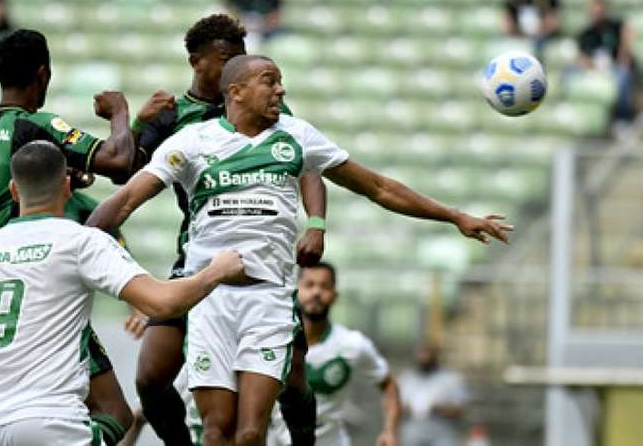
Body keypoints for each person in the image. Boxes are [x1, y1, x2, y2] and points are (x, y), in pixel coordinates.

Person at [86, 54, 513, 444]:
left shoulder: (296, 136)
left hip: (268, 299)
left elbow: (379, 187)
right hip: (209, 301)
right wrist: (71, 244)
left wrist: (455, 215)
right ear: (235, 92)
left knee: (251, 433)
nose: (281, 90)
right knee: (217, 431)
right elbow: (123, 202)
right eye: (270, 82)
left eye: (281, 82)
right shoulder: (193, 142)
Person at [0, 141, 245, 445]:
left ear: (13, 191)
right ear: (66, 185)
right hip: (54, 424)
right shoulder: (81, 242)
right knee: (116, 418)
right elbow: (162, 303)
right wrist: (217, 271)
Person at [128, 14, 325, 446]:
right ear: (199, 62)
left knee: (293, 380)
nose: (240, 63)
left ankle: (305, 437)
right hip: (198, 258)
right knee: (150, 377)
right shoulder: (171, 117)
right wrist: (137, 123)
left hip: (260, 268)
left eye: (242, 55)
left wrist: (316, 222)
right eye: (229, 57)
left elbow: (306, 164)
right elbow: (122, 175)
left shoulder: (264, 107)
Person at [0, 28, 136, 446]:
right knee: (114, 413)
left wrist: (70, 178)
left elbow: (24, 187)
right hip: (38, 286)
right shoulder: (36, 123)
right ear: (43, 74)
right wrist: (119, 113)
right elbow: (120, 162)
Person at [269, 262, 400, 446]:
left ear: (335, 295)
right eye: (309, 285)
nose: (316, 292)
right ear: (296, 290)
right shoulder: (274, 342)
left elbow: (388, 385)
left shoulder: (353, 345)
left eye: (324, 286)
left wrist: (390, 431)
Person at [576, 0, 638, 129]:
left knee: (623, 75)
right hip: (595, 70)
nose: (597, 13)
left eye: (600, 10)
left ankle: (623, 118)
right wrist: (592, 66)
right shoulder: (586, 33)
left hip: (616, 66)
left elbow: (626, 45)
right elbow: (582, 58)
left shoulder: (616, 26)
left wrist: (622, 56)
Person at [399, 344, 469, 446]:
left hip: (442, 437)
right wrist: (412, 408)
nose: (424, 359)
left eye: (428, 355)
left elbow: (460, 409)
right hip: (412, 437)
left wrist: (437, 409)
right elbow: (395, 407)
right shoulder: (406, 379)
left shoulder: (451, 379)